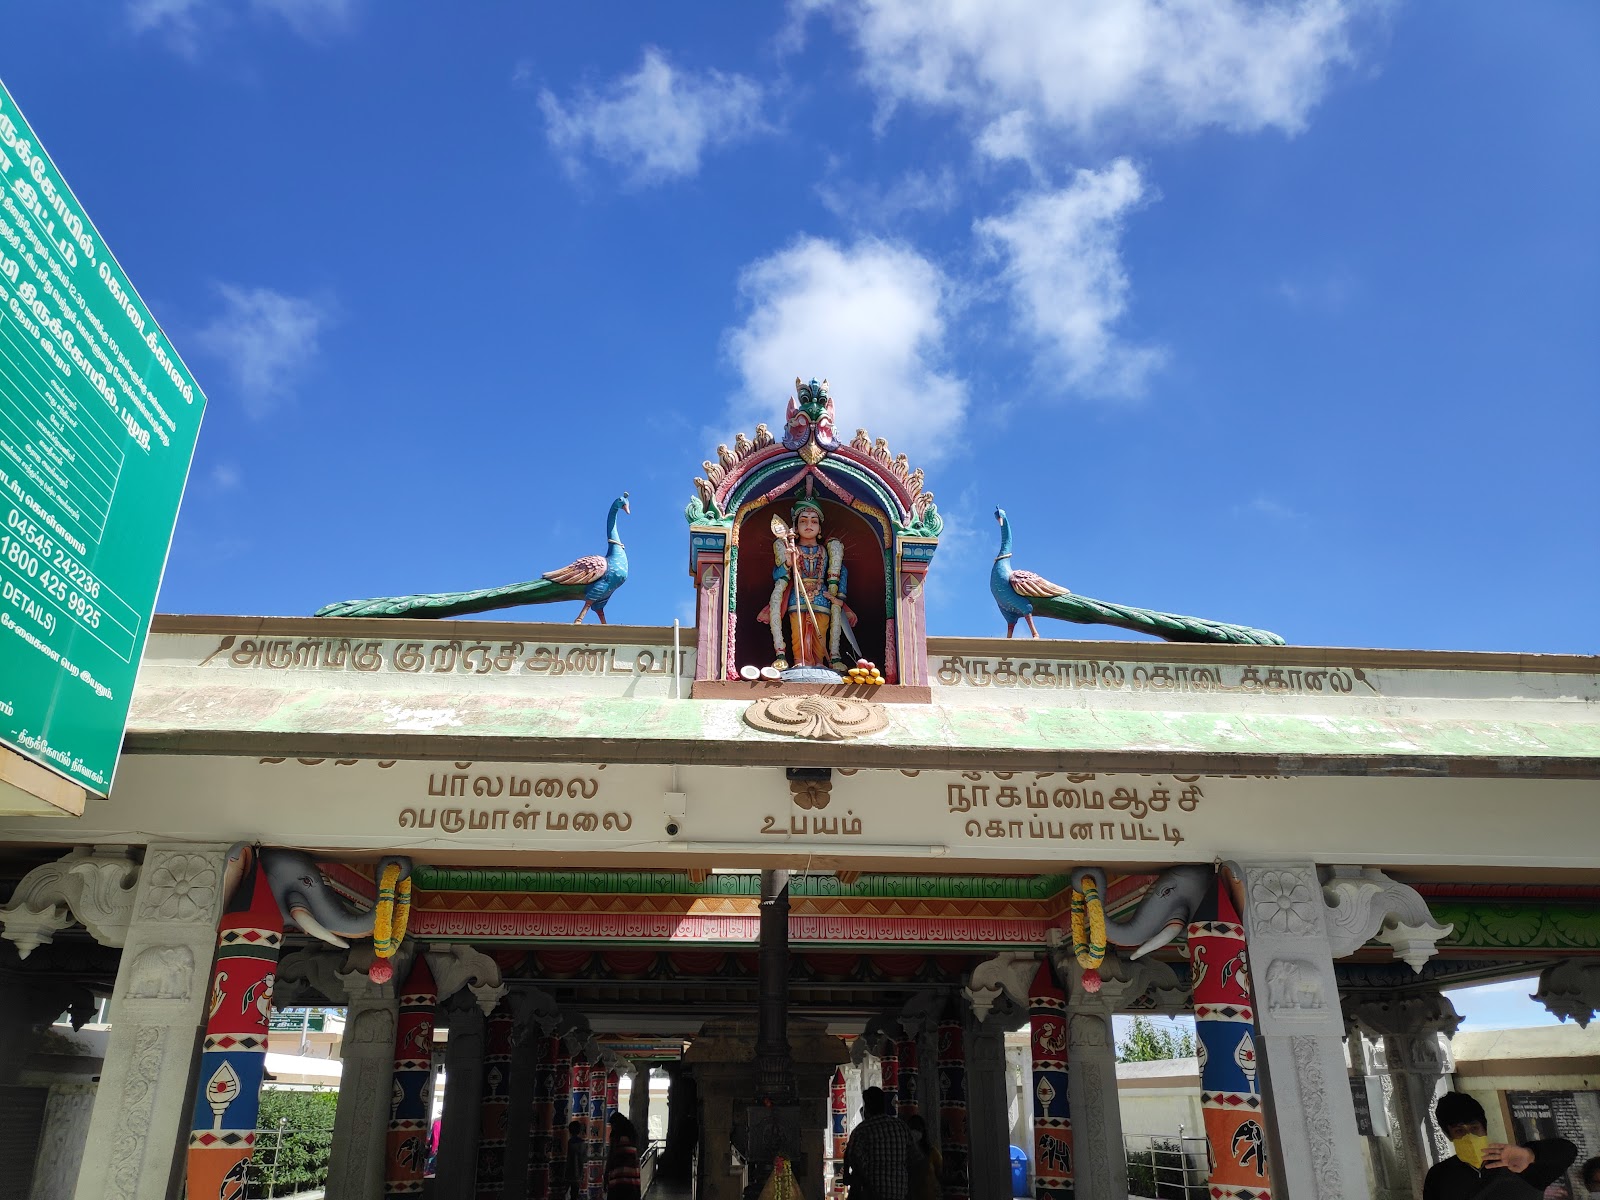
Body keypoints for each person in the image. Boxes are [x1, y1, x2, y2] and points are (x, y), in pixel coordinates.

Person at [1422, 1092, 1577, 1200]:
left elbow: (1569, 1151)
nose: (1469, 1136)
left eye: (1474, 1128)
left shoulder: (1517, 1163)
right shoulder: (1440, 1176)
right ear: (1449, 1135)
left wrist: (1531, 1154)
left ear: (1485, 1128)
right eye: (1459, 1130)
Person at [764, 499, 854, 671]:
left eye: (814, 521)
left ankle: (820, 662)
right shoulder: (791, 549)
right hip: (797, 595)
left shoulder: (826, 550)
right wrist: (788, 564)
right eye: (803, 521)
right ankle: (799, 661)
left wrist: (838, 597)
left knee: (821, 631)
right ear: (796, 528)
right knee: (798, 632)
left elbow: (842, 571)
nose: (808, 525)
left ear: (820, 529)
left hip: (822, 596)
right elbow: (777, 575)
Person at [843, 1086, 920, 1200]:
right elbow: (914, 1160)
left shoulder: (862, 1130)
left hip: (872, 1194)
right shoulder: (901, 1127)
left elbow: (854, 1160)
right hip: (899, 1193)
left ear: (867, 1107)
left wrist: (850, 1177)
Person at [903, 1113, 942, 1200]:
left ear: (923, 1131)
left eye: (918, 1128)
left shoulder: (932, 1152)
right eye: (912, 1128)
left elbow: (940, 1175)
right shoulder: (904, 1152)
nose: (915, 1132)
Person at [605, 1112, 642, 1200]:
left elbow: (611, 1156)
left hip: (618, 1178)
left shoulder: (615, 1136)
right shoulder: (633, 1136)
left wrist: (606, 1175)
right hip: (633, 1178)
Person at [565, 1119, 587, 1200]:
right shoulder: (583, 1144)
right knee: (574, 1194)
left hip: (568, 1172)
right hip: (578, 1173)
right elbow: (585, 1159)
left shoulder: (568, 1143)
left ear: (570, 1131)